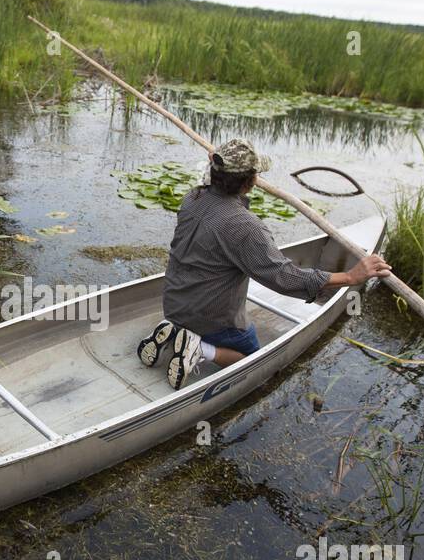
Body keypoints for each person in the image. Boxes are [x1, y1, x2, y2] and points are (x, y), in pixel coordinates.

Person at [137, 138, 390, 389]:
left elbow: (211, 185)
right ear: (250, 182)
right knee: (253, 358)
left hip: (173, 303)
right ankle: (199, 347)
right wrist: (350, 277)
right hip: (209, 320)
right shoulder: (245, 226)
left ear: (213, 170)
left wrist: (218, 166)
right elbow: (284, 277)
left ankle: (174, 331)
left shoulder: (193, 198)